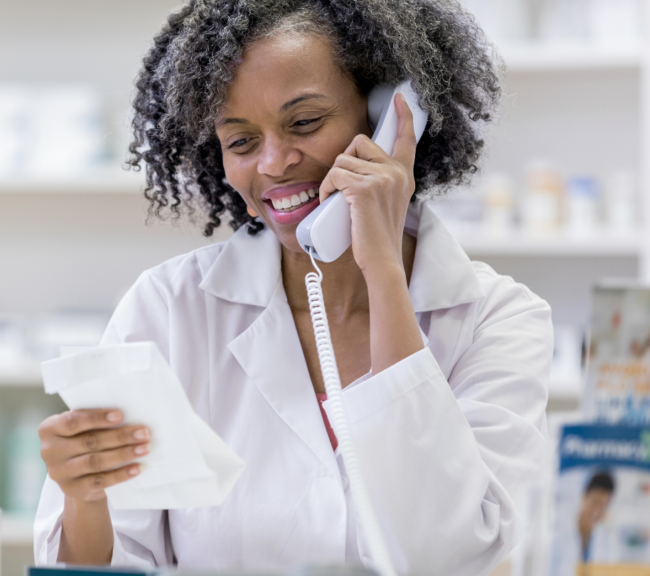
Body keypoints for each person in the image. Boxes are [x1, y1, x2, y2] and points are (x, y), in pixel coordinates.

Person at [34, 1, 552, 574]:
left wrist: (380, 267)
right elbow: (107, 565)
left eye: (303, 122)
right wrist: (86, 496)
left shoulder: (496, 321)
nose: (275, 164)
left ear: (391, 118)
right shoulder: (170, 308)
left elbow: (443, 556)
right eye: (241, 141)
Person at [577, 470, 615, 563]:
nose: (596, 512)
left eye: (603, 506)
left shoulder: (604, 539)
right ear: (584, 497)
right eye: (595, 502)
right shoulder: (561, 534)